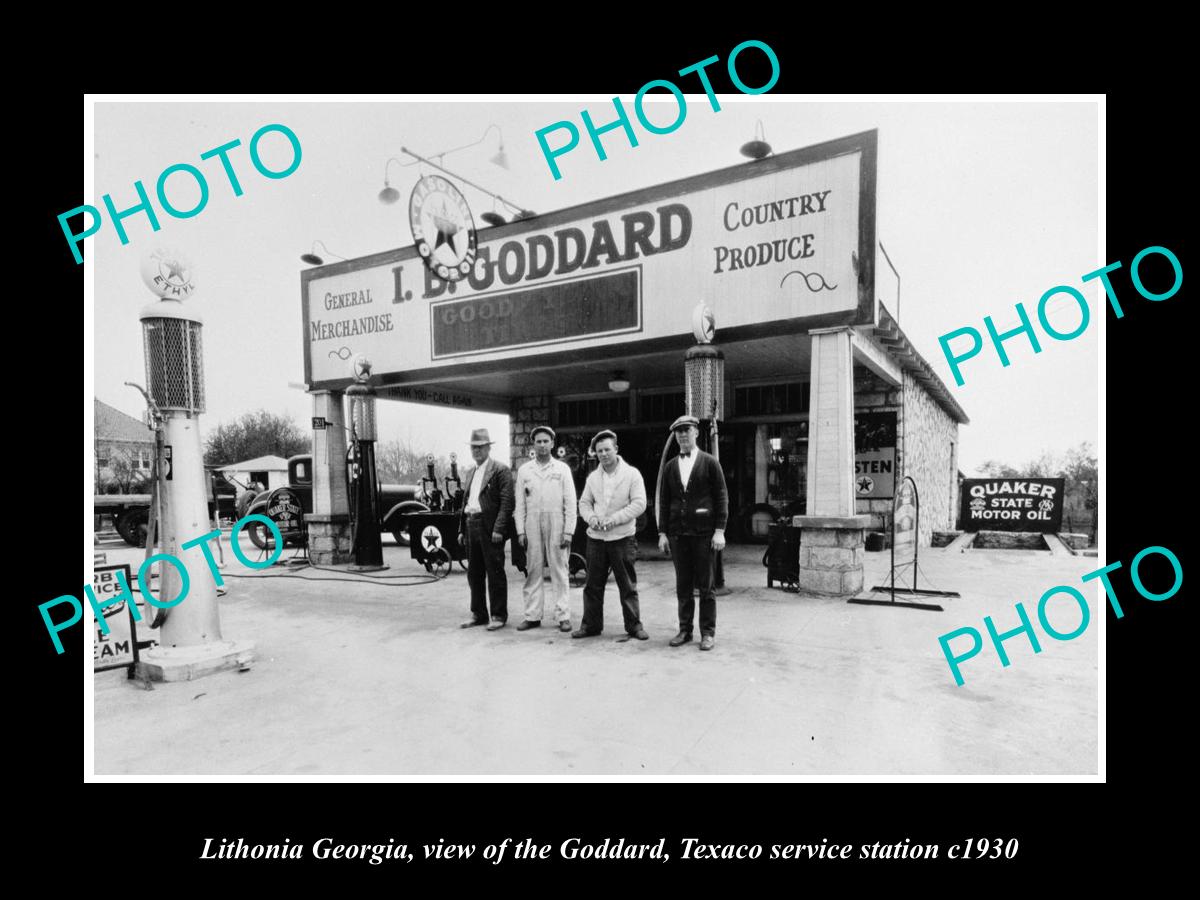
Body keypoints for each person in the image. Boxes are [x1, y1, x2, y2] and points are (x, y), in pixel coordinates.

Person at [657, 416, 728, 651]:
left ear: (696, 433)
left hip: (704, 534)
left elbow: (721, 497)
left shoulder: (709, 463)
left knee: (706, 586)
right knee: (683, 585)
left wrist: (720, 530)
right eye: (678, 432)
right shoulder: (670, 467)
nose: (682, 436)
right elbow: (664, 502)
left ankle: (708, 633)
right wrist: (662, 533)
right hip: (678, 535)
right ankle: (684, 630)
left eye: (686, 431)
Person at [575, 430, 648, 641]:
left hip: (622, 538)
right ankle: (591, 626)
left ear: (616, 449)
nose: (604, 454)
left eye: (607, 449)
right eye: (599, 451)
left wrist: (614, 519)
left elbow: (639, 503)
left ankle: (634, 626)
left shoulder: (632, 474)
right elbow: (584, 503)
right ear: (595, 453)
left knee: (627, 585)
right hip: (596, 539)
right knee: (592, 585)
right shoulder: (592, 477)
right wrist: (592, 518)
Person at [514, 425, 576, 633]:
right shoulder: (524, 470)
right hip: (532, 522)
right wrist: (520, 531)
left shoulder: (562, 469)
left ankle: (563, 615)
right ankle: (532, 615)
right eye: (538, 441)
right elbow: (520, 504)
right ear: (534, 444)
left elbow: (571, 502)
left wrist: (568, 530)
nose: (542, 445)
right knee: (533, 569)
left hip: (556, 520)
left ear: (552, 443)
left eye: (545, 441)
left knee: (559, 569)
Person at [457, 428, 515, 631]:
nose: (477, 451)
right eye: (474, 447)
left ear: (489, 447)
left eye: (481, 447)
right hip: (471, 524)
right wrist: (461, 530)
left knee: (495, 571)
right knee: (474, 573)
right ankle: (478, 613)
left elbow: (507, 502)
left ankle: (498, 615)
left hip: (490, 526)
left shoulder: (500, 470)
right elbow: (465, 502)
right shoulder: (470, 472)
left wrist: (499, 528)